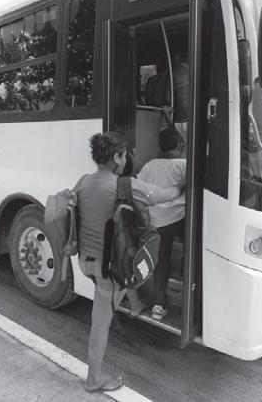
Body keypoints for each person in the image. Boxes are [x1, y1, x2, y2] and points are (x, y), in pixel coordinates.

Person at [76, 131, 181, 392]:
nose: (126, 161)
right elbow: (161, 195)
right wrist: (182, 187)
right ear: (116, 158)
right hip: (106, 269)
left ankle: (136, 304)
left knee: (117, 289)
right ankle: (94, 379)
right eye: (124, 156)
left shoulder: (84, 181)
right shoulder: (125, 186)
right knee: (101, 323)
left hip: (85, 261)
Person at [137, 128, 186, 321]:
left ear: (159, 147)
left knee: (161, 261)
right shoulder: (184, 165)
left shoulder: (149, 166)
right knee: (192, 247)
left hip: (157, 222)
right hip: (180, 220)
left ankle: (158, 305)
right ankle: (185, 274)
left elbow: (139, 188)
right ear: (180, 146)